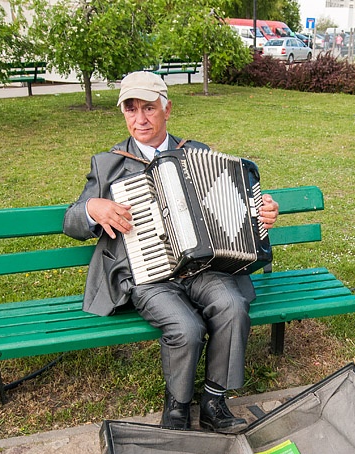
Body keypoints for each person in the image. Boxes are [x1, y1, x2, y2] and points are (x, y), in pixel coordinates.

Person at [63, 71, 280, 434]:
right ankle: (177, 406)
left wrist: (262, 211)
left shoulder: (197, 154)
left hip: (202, 269)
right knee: (186, 327)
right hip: (147, 276)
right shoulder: (108, 164)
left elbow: (238, 203)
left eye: (148, 108)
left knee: (232, 305)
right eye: (130, 110)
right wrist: (93, 209)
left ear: (168, 109)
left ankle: (213, 401)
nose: (140, 119)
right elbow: (71, 220)